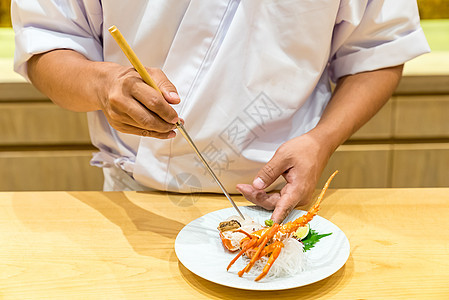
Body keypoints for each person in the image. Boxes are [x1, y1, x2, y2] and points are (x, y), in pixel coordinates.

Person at [11, 1, 429, 223]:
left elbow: (377, 50)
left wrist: (321, 141)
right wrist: (103, 85)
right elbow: (47, 43)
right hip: (138, 201)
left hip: (287, 193)